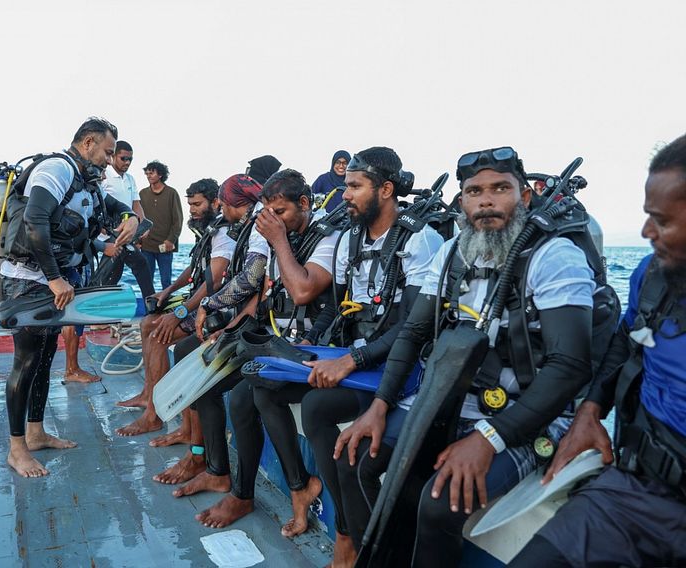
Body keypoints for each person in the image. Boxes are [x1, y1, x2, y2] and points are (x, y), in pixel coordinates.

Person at [335, 146, 600, 566]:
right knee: (354, 459)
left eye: (500, 188)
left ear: (524, 196)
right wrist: (380, 406)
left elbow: (569, 367)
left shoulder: (554, 256)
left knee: (439, 502)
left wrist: (491, 437)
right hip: (451, 402)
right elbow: (414, 333)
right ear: (462, 202)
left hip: (526, 414)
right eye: (475, 192)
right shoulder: (451, 253)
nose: (487, 200)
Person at [510, 134, 686, 568]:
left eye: (661, 221)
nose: (646, 233)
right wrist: (590, 411)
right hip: (636, 490)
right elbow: (626, 343)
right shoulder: (654, 277)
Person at [297, 147, 443, 564]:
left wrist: (352, 362)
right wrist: (311, 342)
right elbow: (336, 306)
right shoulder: (350, 238)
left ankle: (353, 541)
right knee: (284, 394)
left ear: (386, 190)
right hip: (361, 358)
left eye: (355, 186)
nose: (345, 195)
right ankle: (341, 527)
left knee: (335, 430)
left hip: (400, 369)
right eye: (346, 186)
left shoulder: (420, 241)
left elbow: (412, 327)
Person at [178, 170, 343, 535]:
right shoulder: (282, 235)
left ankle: (261, 491)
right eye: (269, 212)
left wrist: (277, 240)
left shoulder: (328, 239)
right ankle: (221, 472)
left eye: (280, 212)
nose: (273, 220)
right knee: (211, 380)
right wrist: (225, 322)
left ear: (305, 203)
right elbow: (262, 292)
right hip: (277, 340)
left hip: (314, 347)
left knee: (246, 396)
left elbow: (303, 292)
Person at [0, 117, 138, 477]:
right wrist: (55, 278)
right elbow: (34, 220)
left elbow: (115, 209)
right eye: (108, 151)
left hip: (55, 282)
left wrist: (130, 219)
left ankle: (36, 433)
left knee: (45, 358)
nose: (110, 160)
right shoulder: (57, 169)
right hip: (29, 280)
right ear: (88, 142)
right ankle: (16, 449)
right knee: (26, 361)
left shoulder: (86, 182)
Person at [114, 178, 234, 437]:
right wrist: (167, 290)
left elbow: (213, 282)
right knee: (148, 323)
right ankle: (149, 395)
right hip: (198, 300)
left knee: (158, 335)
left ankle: (154, 416)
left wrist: (179, 313)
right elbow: (194, 267)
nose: (192, 210)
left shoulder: (224, 234)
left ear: (216, 202)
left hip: (215, 308)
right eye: (190, 204)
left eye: (197, 204)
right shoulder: (208, 231)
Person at [96, 140, 156, 299]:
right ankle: (152, 304)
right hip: (107, 235)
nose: (127, 162)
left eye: (130, 159)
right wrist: (101, 226)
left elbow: (136, 205)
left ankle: (151, 302)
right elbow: (97, 202)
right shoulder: (104, 176)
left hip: (126, 233)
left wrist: (143, 225)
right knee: (136, 265)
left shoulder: (130, 179)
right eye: (123, 158)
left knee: (116, 272)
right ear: (113, 156)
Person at [140, 160, 183, 289]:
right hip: (146, 245)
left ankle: (165, 302)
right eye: (147, 173)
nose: (148, 176)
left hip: (165, 245)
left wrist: (171, 240)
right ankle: (149, 302)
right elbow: (138, 218)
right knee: (147, 280)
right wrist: (137, 240)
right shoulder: (142, 193)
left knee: (166, 281)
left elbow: (178, 219)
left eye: (151, 173)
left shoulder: (172, 193)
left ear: (160, 175)